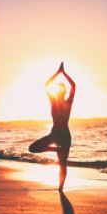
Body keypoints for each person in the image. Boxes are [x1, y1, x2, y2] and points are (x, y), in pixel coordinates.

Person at [29, 62, 76, 192]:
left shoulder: (68, 102)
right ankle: (55, 150)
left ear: (65, 91)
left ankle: (60, 188)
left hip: (64, 134)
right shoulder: (53, 102)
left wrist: (64, 73)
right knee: (32, 148)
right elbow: (46, 85)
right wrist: (57, 73)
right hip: (54, 133)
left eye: (63, 90)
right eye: (59, 90)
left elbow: (73, 85)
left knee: (62, 163)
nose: (61, 92)